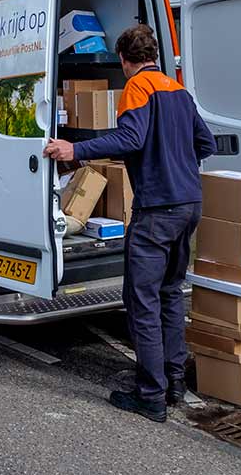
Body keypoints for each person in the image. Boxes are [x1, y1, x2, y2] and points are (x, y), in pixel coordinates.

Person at [44, 24, 215, 422]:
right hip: (189, 204)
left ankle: (150, 395)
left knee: (141, 300)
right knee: (171, 293)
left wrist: (76, 147)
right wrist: (177, 162)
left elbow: (131, 139)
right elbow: (204, 143)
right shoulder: (179, 92)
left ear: (124, 60)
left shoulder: (137, 88)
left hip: (156, 210)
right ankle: (174, 382)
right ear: (154, 55)